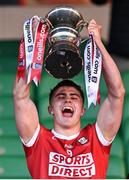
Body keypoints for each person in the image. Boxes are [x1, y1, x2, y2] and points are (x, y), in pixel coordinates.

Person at [13, 19, 125, 179]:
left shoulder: (96, 138)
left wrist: (99, 44)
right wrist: (35, 48)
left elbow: (117, 94)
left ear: (83, 110)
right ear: (50, 109)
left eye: (74, 97)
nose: (68, 100)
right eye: (61, 96)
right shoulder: (39, 141)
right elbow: (20, 96)